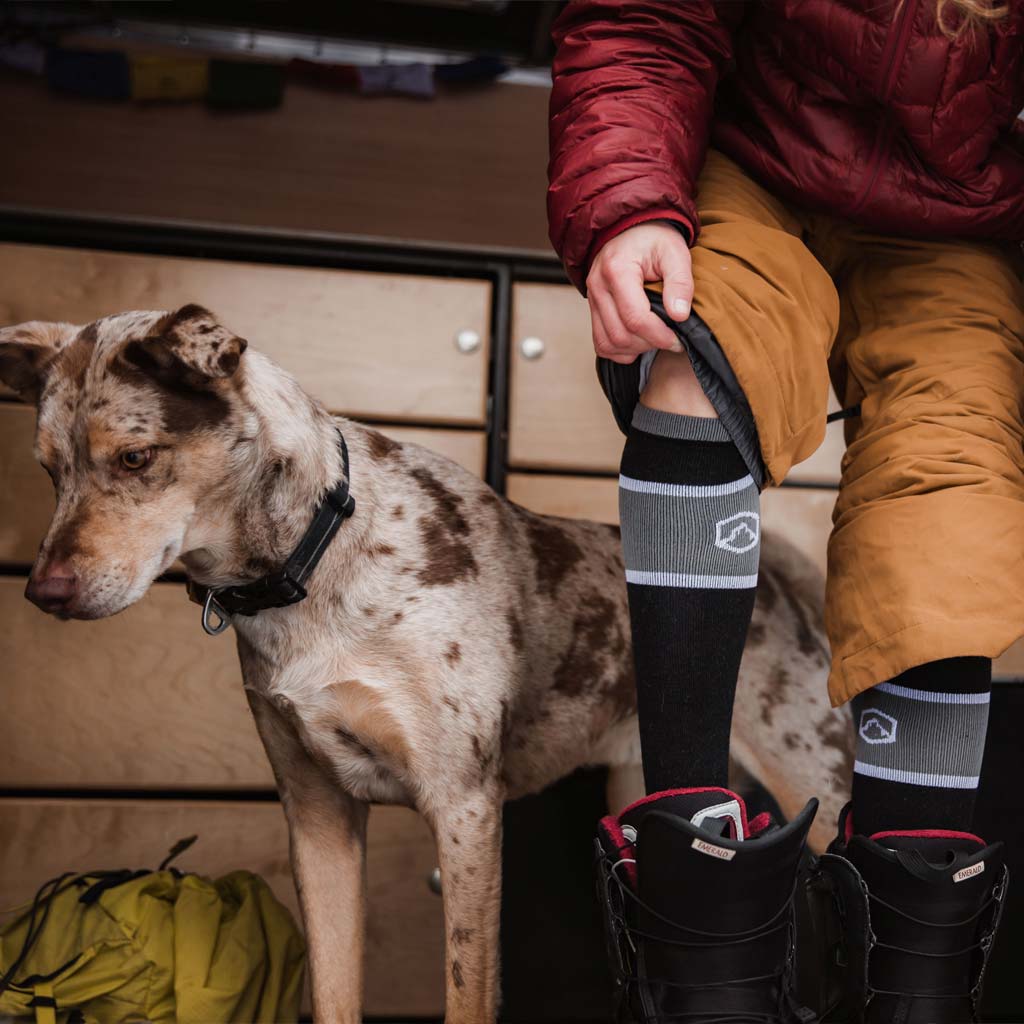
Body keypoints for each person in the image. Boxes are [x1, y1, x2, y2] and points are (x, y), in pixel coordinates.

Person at [547, 2, 1024, 1021]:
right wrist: (629, 202)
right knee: (700, 350)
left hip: (961, 211)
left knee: (955, 483)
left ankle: (913, 982)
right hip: (754, 154)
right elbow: (643, 20)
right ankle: (697, 938)